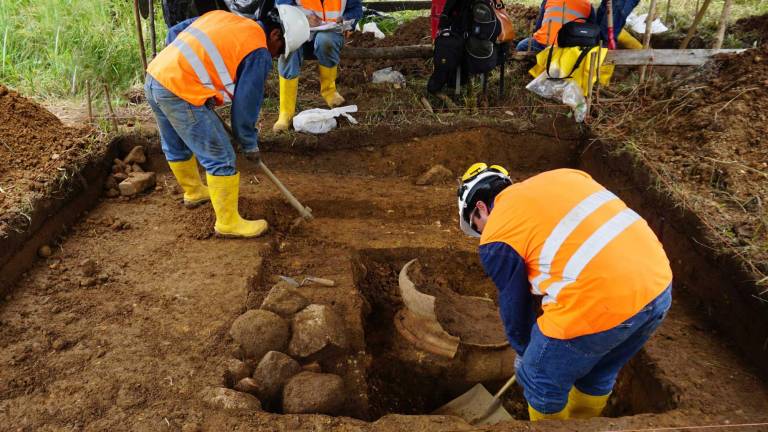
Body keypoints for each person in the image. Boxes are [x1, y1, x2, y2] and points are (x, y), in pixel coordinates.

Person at [456, 163, 673, 421]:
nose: (481, 233)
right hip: (658, 287)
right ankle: (582, 424)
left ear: (480, 207)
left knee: (538, 377)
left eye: (475, 226)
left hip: (601, 301)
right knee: (598, 373)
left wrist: (526, 354)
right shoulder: (565, 175)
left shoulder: (497, 233)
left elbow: (515, 304)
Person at [144, 4, 310, 238]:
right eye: (280, 50)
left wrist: (191, 74)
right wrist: (248, 143)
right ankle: (228, 223)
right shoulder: (259, 50)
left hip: (156, 76)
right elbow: (245, 106)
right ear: (274, 35)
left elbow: (174, 33)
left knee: (175, 143)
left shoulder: (224, 17)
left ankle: (193, 192)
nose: (275, 57)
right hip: (180, 92)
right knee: (221, 155)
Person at [271, 0, 363, 132]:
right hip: (298, 30)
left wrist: (346, 19)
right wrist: (302, 19)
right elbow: (281, 7)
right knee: (289, 51)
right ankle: (286, 113)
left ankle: (329, 92)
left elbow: (356, 9)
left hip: (330, 32)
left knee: (326, 41)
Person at [515, 0, 594, 53]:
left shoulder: (549, 0)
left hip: (545, 44)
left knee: (521, 46)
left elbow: (539, 26)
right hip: (572, 48)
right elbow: (592, 31)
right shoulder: (588, 5)